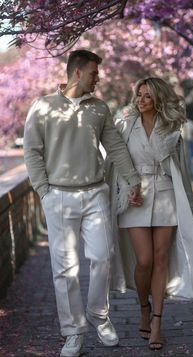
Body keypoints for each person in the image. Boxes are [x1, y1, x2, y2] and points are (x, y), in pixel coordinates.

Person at [23, 49, 141, 357]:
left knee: (103, 256)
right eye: (93, 73)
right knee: (66, 270)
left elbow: (115, 147)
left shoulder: (99, 108)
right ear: (77, 73)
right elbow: (32, 151)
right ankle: (73, 332)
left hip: (95, 193)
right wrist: (44, 190)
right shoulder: (43, 107)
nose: (97, 78)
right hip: (58, 196)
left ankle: (99, 317)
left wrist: (133, 179)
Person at [106, 77, 193, 351]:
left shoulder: (172, 127)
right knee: (144, 261)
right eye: (139, 95)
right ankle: (144, 307)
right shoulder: (124, 125)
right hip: (134, 196)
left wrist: (190, 205)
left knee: (161, 259)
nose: (141, 100)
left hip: (166, 194)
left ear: (158, 99)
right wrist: (128, 188)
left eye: (147, 96)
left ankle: (156, 322)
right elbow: (117, 163)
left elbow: (182, 170)